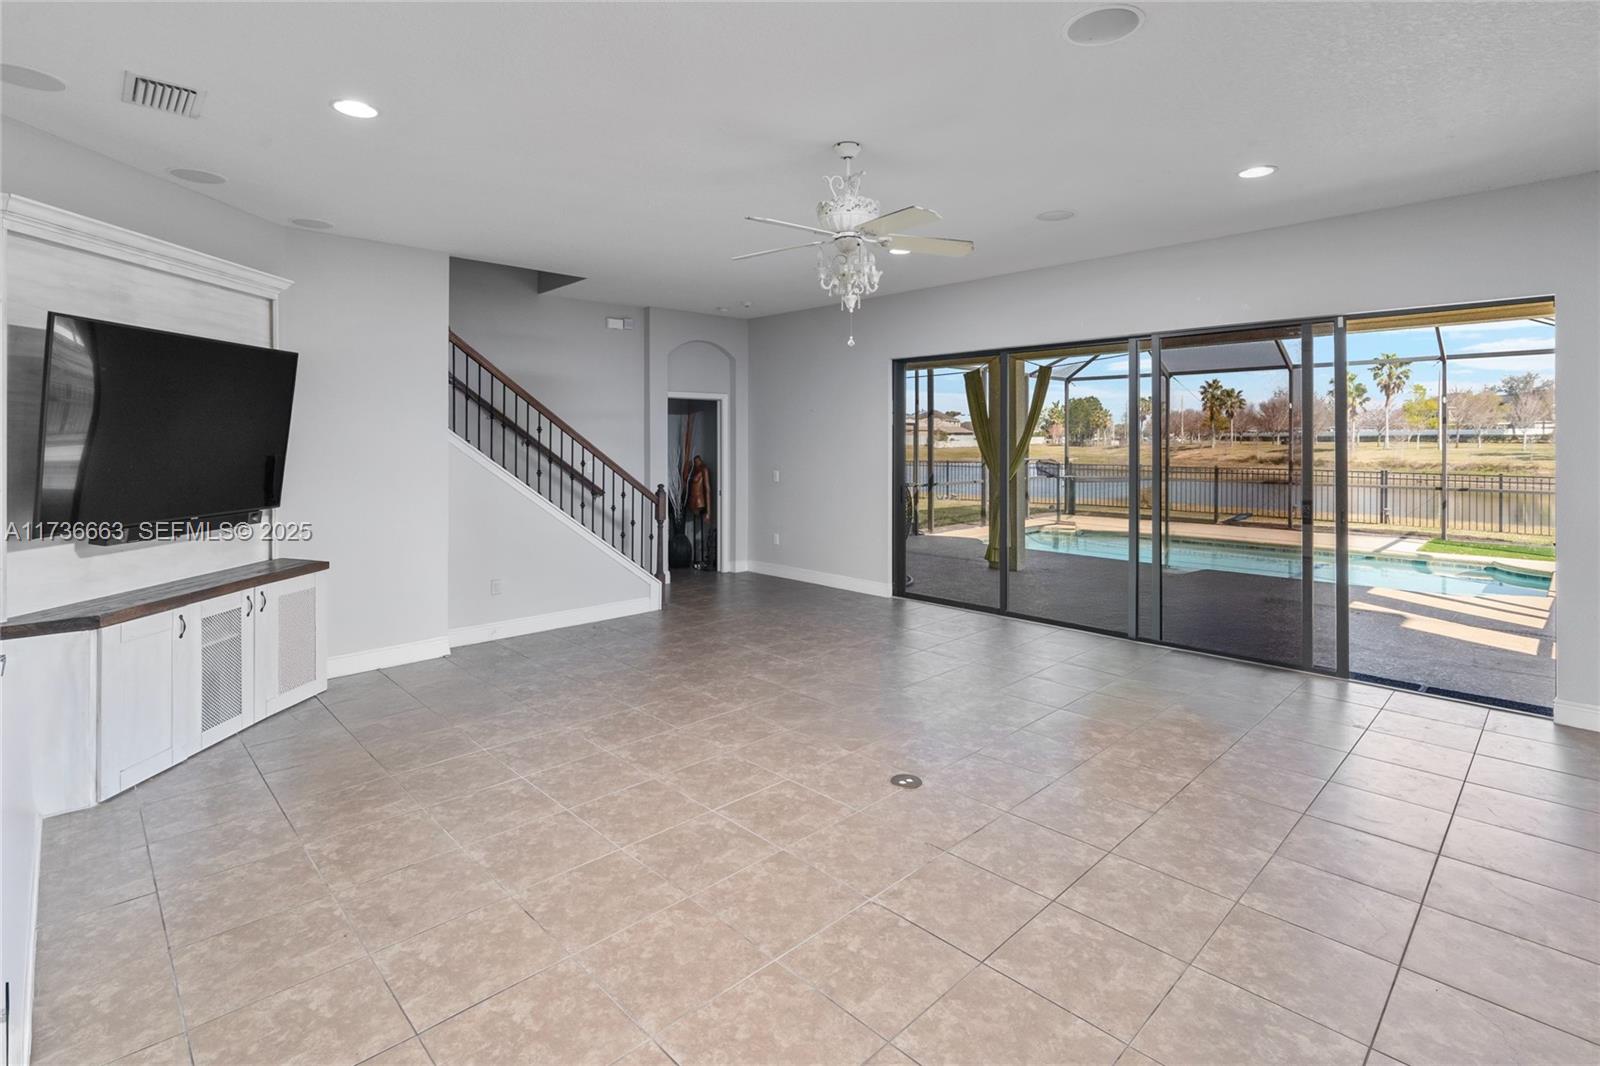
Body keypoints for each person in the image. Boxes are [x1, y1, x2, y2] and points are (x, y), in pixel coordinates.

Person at [687, 455, 712, 569]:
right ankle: (696, 559)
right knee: (694, 530)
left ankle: (701, 559)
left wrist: (708, 511)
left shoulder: (704, 469)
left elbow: (707, 489)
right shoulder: (694, 469)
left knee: (699, 531)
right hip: (692, 503)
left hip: (700, 503)